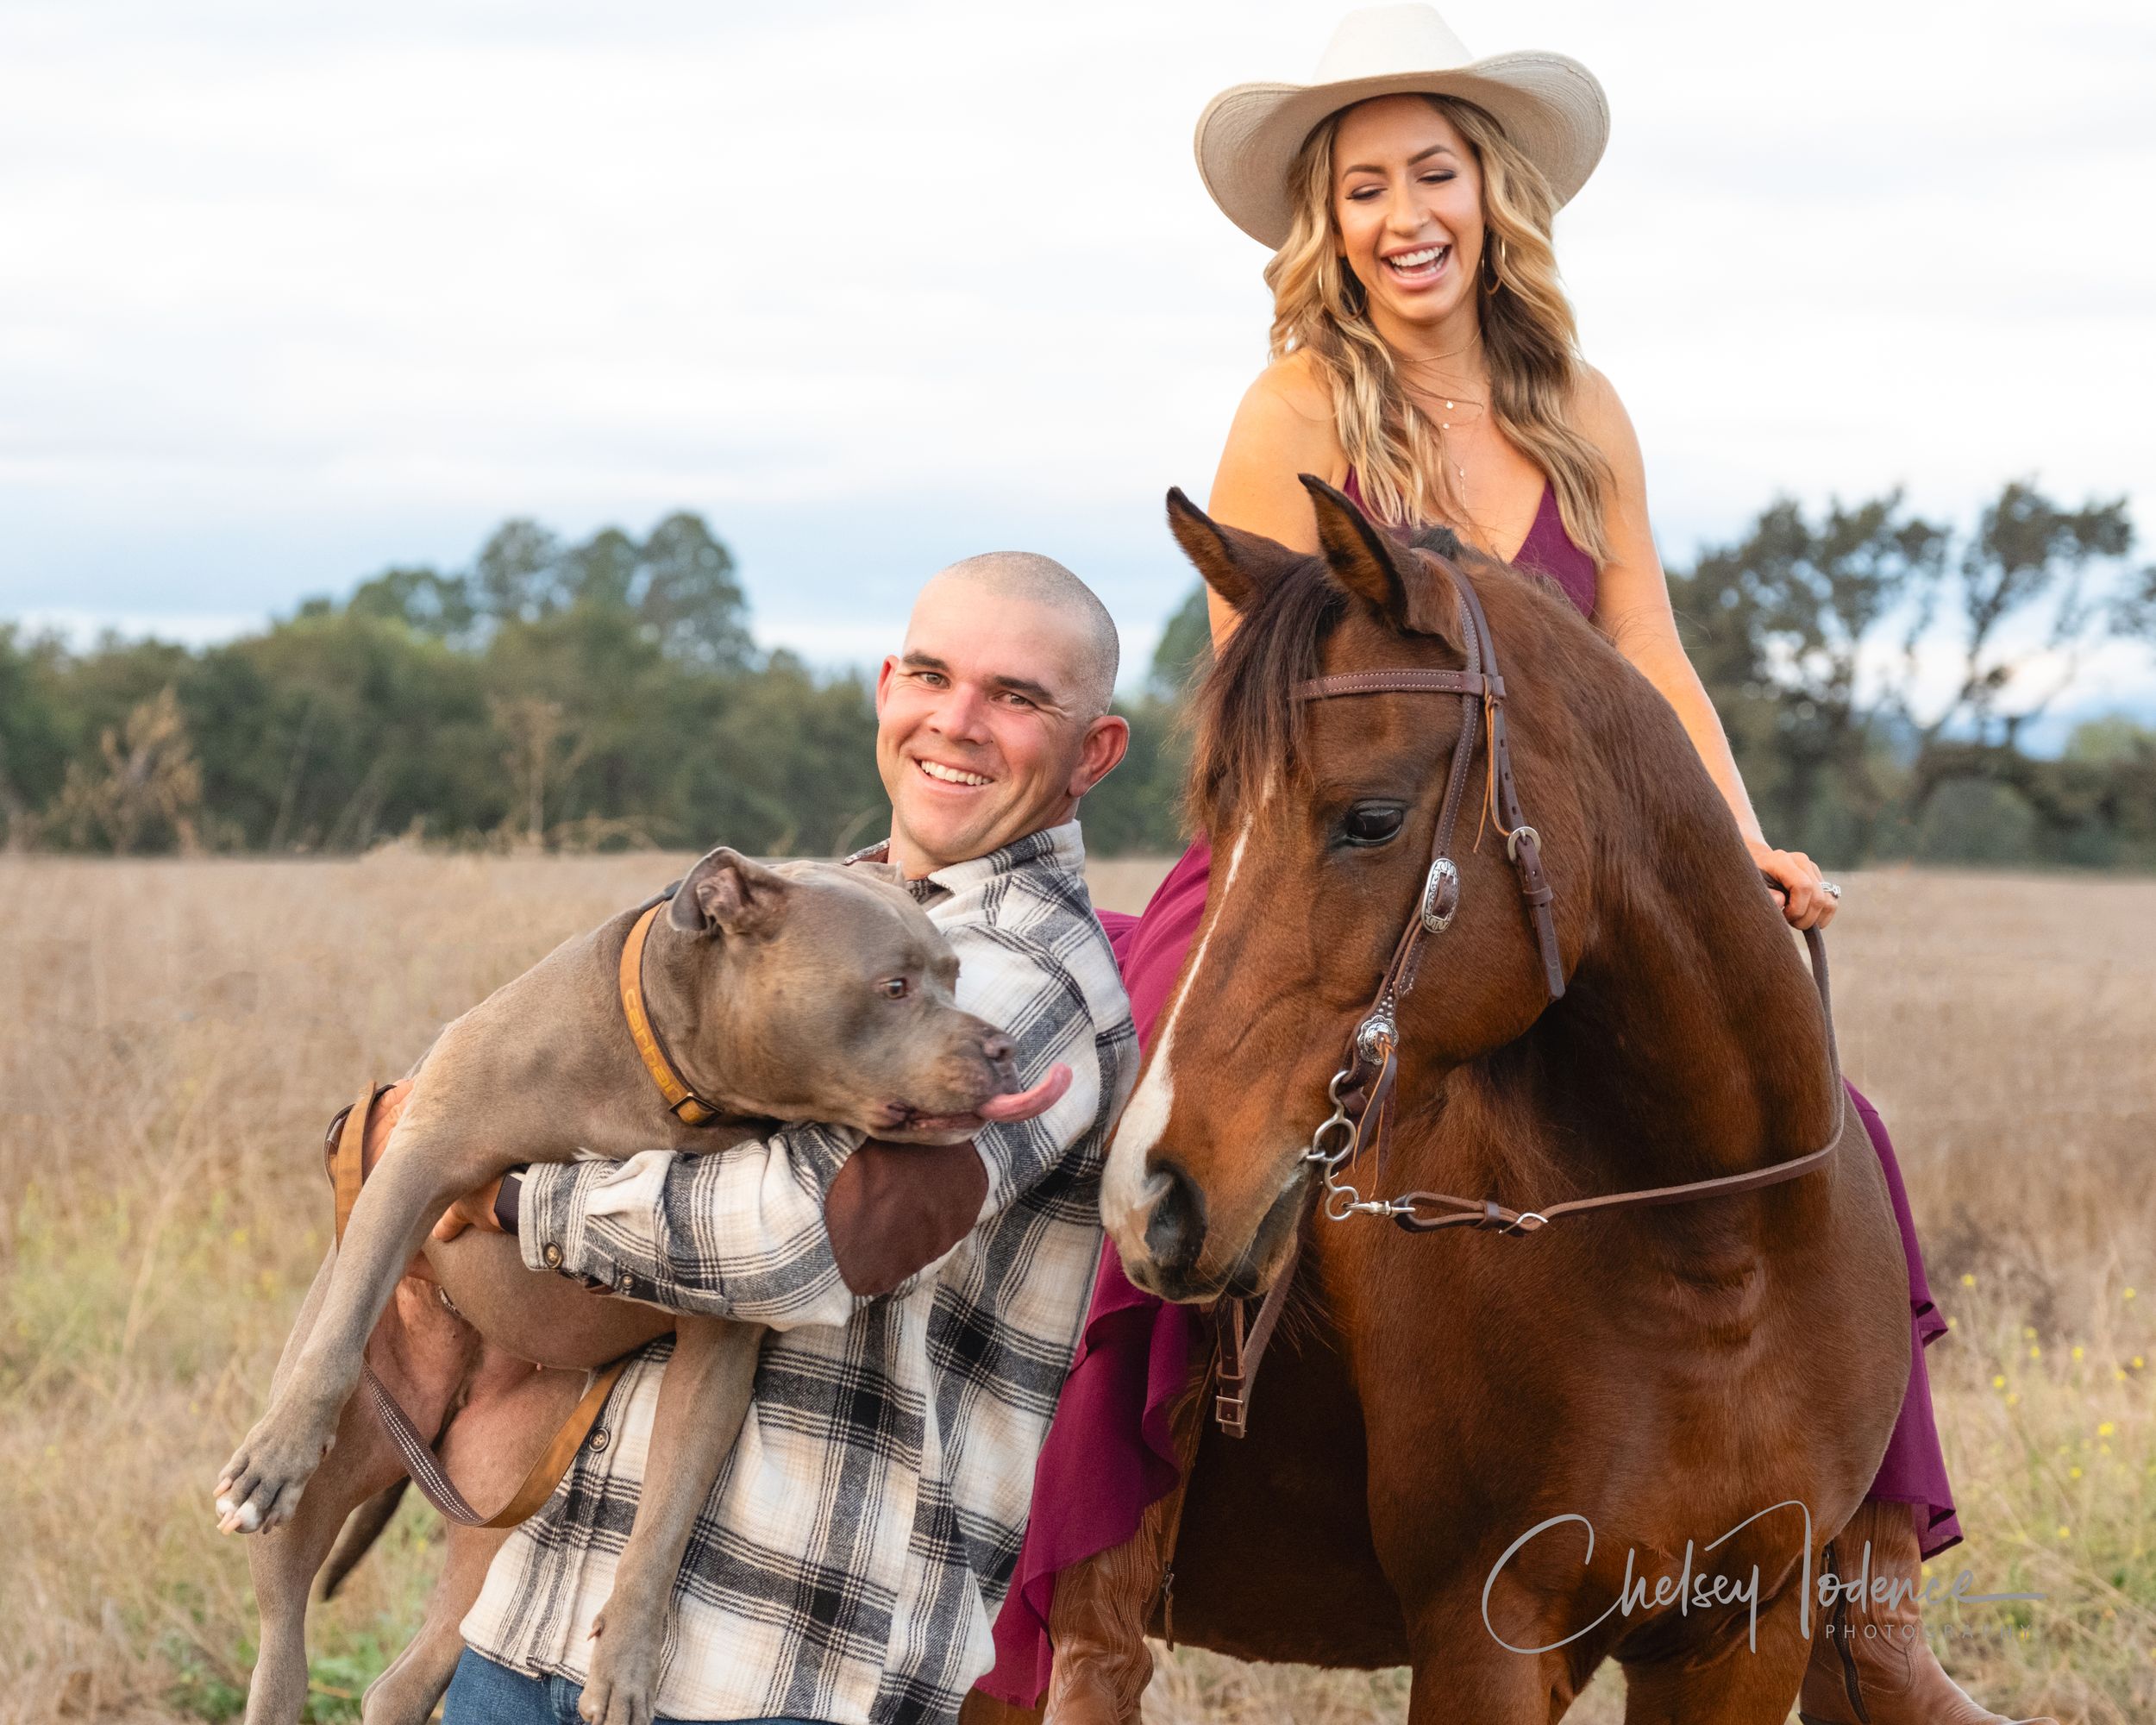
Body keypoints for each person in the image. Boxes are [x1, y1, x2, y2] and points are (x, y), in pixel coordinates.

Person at [983, 11, 2046, 1725]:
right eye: (1358, 189)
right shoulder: (1300, 406)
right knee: (1182, 1089)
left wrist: (1736, 833)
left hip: (1555, 877)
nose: (1402, 214)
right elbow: (1276, 710)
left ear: (1490, 191)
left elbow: (1650, 656)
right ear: (1320, 228)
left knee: (1821, 1115)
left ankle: (1862, 1599)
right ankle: (1101, 1614)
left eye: (1430, 172)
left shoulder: (1575, 409)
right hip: (1324, 858)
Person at [421, 552, 1140, 1725]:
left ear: (1094, 753)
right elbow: (585, 1073)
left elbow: (797, 1236)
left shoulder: (1037, 981)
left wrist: (506, 1197)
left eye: (1017, 697)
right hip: (553, 1613)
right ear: (883, 689)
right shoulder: (812, 912)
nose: (955, 722)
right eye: (930, 675)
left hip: (789, 1660)